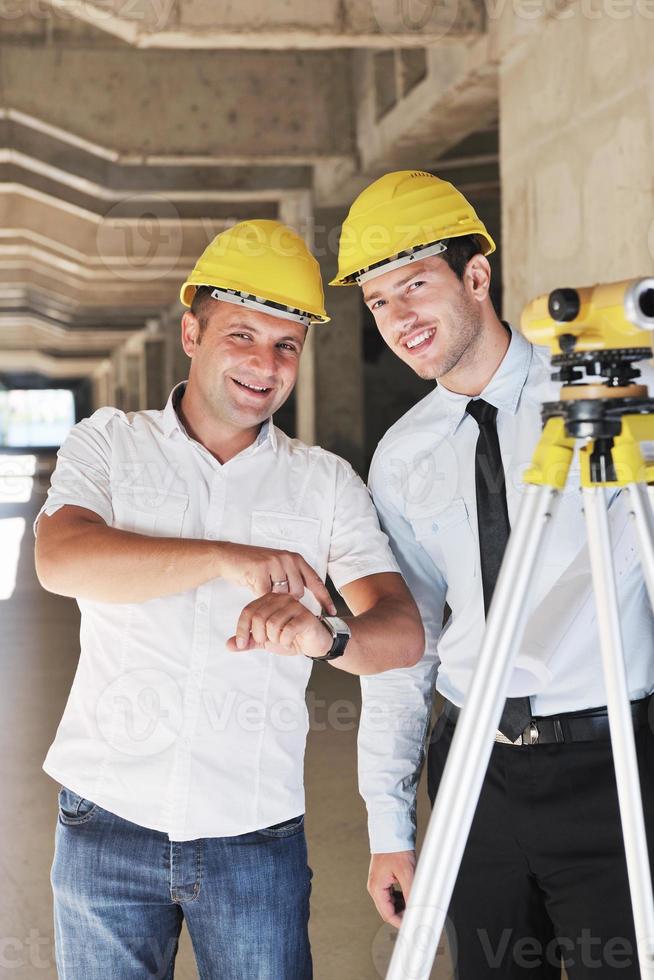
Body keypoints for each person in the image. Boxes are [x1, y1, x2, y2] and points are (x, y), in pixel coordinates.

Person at [34, 219, 424, 980]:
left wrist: (327, 639)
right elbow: (60, 557)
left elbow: (401, 633)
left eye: (287, 346)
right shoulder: (110, 442)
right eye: (242, 335)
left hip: (253, 834)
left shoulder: (325, 482)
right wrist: (223, 557)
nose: (264, 364)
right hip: (106, 820)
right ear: (191, 331)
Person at [331, 171, 654, 979]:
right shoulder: (401, 457)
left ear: (476, 277)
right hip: (477, 774)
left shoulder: (608, 400)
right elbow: (408, 651)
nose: (399, 318)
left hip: (615, 761)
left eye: (415, 285)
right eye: (377, 301)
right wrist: (390, 828)